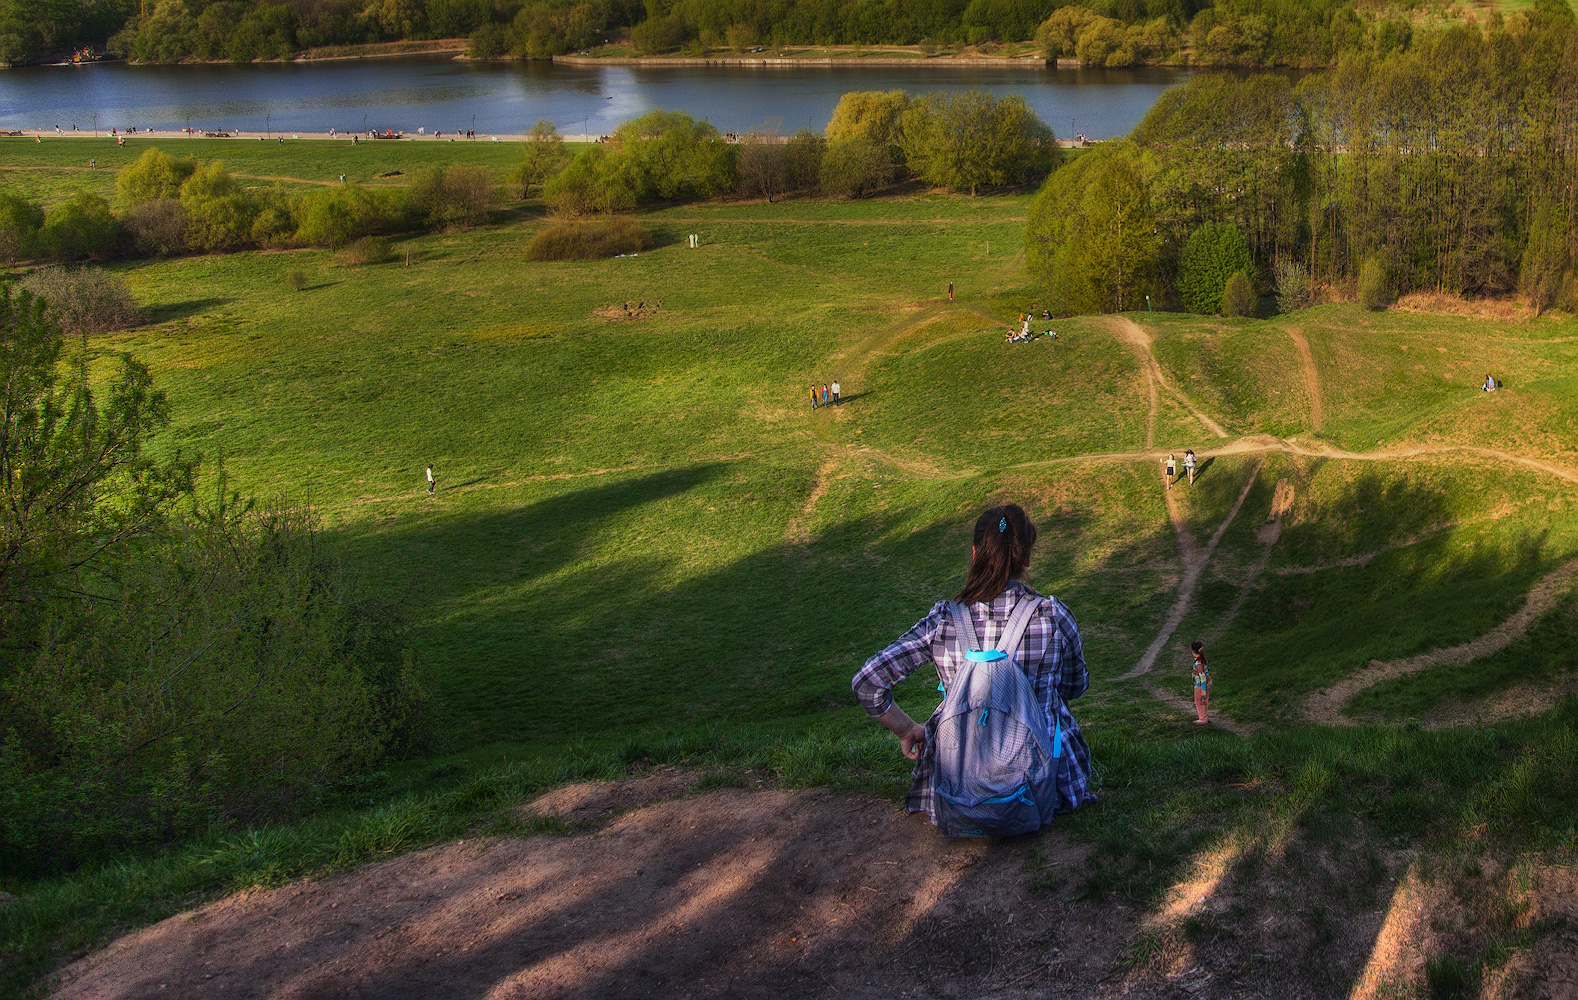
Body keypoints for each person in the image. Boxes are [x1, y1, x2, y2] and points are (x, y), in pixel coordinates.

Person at [851, 503, 1095, 831]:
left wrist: (908, 729)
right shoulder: (1051, 616)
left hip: (957, 791)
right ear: (1026, 559)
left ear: (974, 553)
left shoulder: (943, 621)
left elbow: (868, 683)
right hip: (1049, 787)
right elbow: (1075, 686)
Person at [1191, 640, 1211, 724]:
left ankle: (1203, 719)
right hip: (1209, 681)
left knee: (1198, 701)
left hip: (1200, 685)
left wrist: (1203, 690)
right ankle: (1204, 715)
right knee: (1205, 700)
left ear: (1192, 651)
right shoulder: (1204, 658)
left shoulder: (1198, 663)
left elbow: (1202, 677)